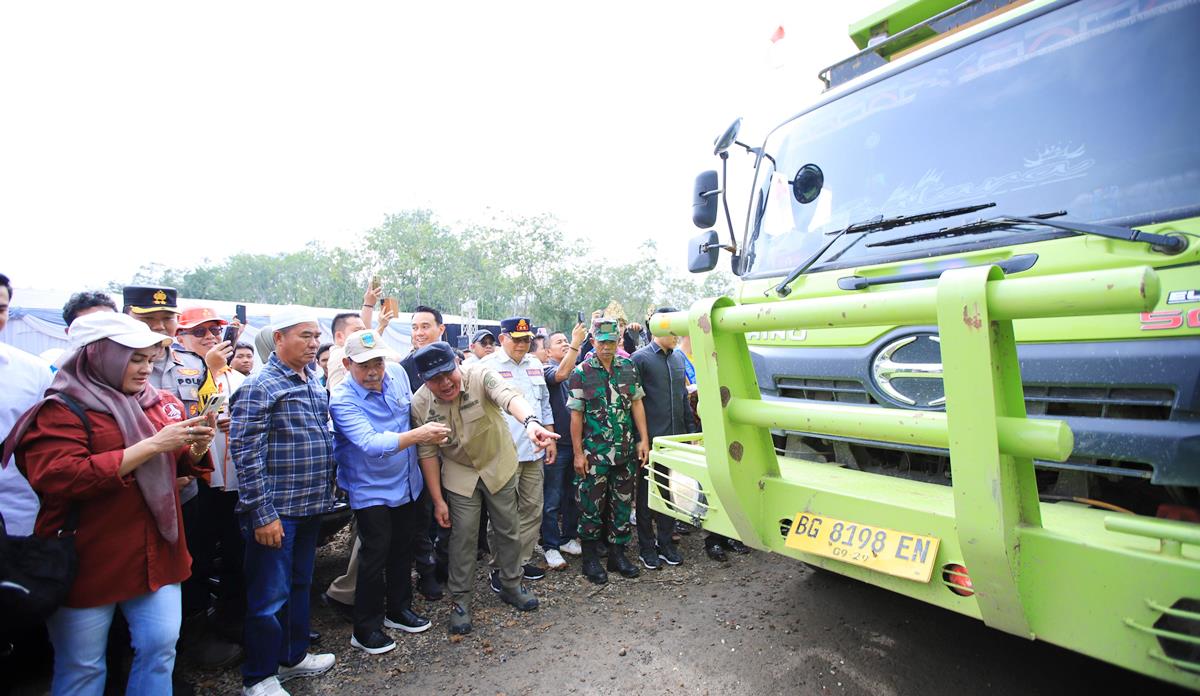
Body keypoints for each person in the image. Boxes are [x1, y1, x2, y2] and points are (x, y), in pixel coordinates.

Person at [7, 311, 215, 696]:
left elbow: (175, 462)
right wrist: (152, 445)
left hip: (157, 551)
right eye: (135, 359)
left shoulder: (154, 402)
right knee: (83, 666)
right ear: (98, 356)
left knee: (159, 650)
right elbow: (57, 476)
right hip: (90, 556)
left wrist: (196, 448)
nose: (144, 369)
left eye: (150, 360)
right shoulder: (62, 410)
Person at [410, 342, 558, 635]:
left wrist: (530, 422)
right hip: (460, 473)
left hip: (497, 463)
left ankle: (511, 584)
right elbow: (426, 454)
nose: (444, 384)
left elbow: (509, 396)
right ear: (424, 381)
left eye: (447, 374)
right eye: (434, 379)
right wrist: (438, 501)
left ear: (457, 364)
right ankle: (461, 600)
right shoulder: (420, 403)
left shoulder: (480, 375)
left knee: (508, 528)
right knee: (462, 536)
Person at [230, 307, 336, 696]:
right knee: (267, 597)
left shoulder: (310, 379)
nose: (313, 344)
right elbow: (245, 453)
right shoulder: (261, 385)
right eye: (305, 336)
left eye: (316, 337)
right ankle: (258, 677)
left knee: (298, 584)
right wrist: (262, 514)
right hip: (277, 513)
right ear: (279, 339)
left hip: (308, 507)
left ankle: (292, 657)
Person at [329, 330, 452, 654]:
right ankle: (366, 627)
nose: (373, 371)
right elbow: (371, 444)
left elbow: (412, 409)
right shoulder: (342, 399)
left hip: (407, 483)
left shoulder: (396, 374)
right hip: (370, 489)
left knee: (402, 549)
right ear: (346, 364)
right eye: (364, 365)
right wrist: (420, 435)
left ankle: (399, 609)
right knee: (374, 556)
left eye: (377, 363)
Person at [567, 317, 650, 584]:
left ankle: (617, 555)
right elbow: (576, 417)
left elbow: (636, 404)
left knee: (622, 504)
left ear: (618, 341)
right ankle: (590, 559)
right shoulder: (581, 372)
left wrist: (643, 440)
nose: (607, 347)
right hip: (594, 455)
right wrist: (578, 454)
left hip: (624, 451)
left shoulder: (627, 367)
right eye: (602, 342)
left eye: (612, 342)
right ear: (593, 342)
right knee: (591, 506)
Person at [479, 317, 554, 582]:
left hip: (534, 450)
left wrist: (550, 437)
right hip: (503, 453)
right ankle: (501, 568)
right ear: (502, 339)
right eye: (517, 339)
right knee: (503, 515)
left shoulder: (535, 364)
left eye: (527, 340)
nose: (523, 345)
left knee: (533, 508)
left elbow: (543, 404)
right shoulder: (485, 367)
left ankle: (520, 562)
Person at [631, 308, 693, 569]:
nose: (677, 335)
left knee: (670, 492)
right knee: (647, 494)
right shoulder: (640, 359)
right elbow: (633, 403)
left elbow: (683, 399)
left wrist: (690, 434)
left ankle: (666, 543)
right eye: (673, 328)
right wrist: (639, 439)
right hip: (651, 441)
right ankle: (647, 547)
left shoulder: (678, 358)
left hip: (676, 440)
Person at [541, 324, 589, 562]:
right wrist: (575, 343)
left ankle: (568, 538)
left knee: (572, 496)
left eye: (565, 341)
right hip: (555, 445)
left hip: (576, 444)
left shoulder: (578, 373)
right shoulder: (546, 370)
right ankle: (550, 545)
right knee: (552, 498)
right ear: (547, 352)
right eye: (558, 342)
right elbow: (560, 374)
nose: (564, 344)